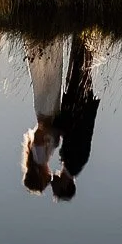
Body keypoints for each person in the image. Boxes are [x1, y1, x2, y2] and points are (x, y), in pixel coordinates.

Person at [50, 35, 100, 201]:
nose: (52, 186)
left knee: (78, 65)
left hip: (77, 104)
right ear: (65, 186)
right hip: (80, 105)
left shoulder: (69, 163)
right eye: (56, 189)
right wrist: (56, 126)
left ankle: (82, 35)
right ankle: (84, 34)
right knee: (81, 66)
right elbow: (77, 131)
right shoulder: (75, 162)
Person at [21, 38, 64, 194]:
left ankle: (47, 42)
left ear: (39, 176)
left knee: (50, 76)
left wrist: (50, 128)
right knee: (46, 77)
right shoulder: (39, 159)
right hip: (45, 111)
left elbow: (39, 135)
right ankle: (43, 40)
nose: (49, 180)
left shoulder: (40, 159)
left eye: (45, 182)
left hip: (47, 112)